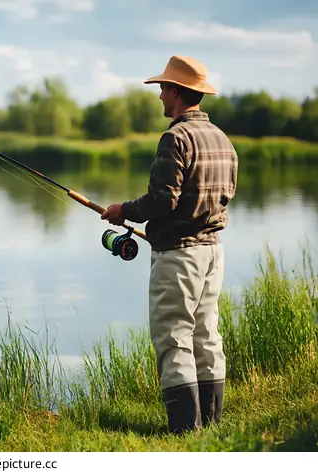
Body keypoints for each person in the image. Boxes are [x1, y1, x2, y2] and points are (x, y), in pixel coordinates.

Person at [101, 55, 238, 434]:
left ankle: (184, 429)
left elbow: (162, 201)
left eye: (163, 88)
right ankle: (210, 424)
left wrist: (122, 211)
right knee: (206, 333)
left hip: (179, 257)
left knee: (173, 336)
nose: (160, 96)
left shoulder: (175, 138)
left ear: (176, 92)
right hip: (213, 253)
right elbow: (225, 194)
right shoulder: (223, 139)